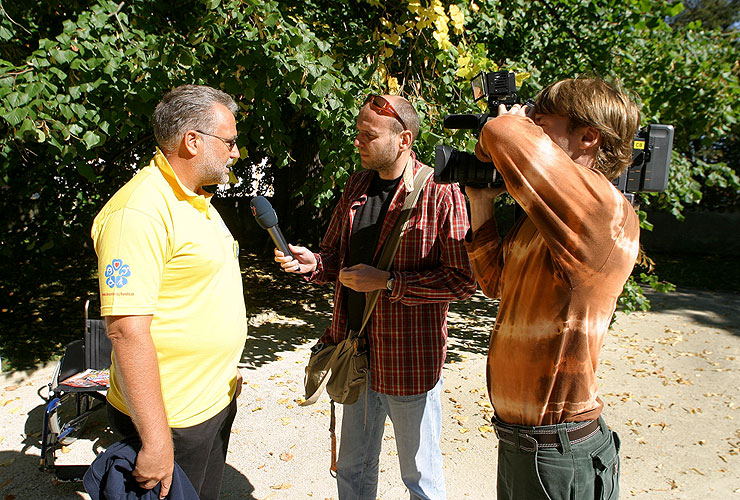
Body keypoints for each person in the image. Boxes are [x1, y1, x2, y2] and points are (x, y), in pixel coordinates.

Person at [275, 94, 476, 500]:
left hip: (409, 364)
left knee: (421, 479)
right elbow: (335, 258)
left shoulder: (441, 192)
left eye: (368, 135)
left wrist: (387, 282)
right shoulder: (357, 185)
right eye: (357, 133)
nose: (358, 141)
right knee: (352, 470)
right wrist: (311, 261)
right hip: (356, 355)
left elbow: (461, 281)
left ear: (404, 139)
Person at [464, 77, 641, 499]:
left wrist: (510, 121)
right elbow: (495, 282)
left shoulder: (605, 212)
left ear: (589, 136)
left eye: (542, 120)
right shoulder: (550, 223)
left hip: (560, 453)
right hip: (524, 446)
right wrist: (481, 203)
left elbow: (502, 132)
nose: (532, 124)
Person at [91, 84, 247, 500]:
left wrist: (225, 375)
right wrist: (157, 441)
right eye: (230, 142)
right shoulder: (138, 212)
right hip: (171, 420)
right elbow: (126, 331)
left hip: (210, 405)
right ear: (192, 141)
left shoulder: (196, 200)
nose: (236, 153)